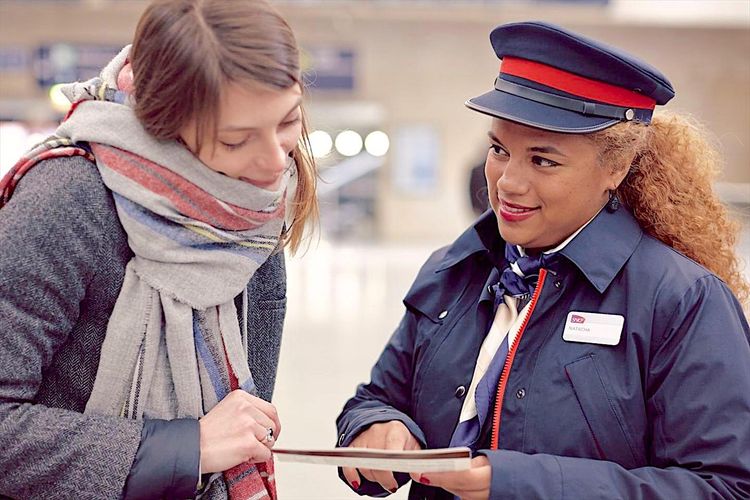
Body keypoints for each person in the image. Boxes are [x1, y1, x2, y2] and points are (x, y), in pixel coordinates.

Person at [336, 21, 750, 500]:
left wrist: (514, 483)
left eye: (543, 160)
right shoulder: (456, 270)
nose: (508, 182)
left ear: (614, 168)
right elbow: (377, 397)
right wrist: (376, 426)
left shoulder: (681, 302)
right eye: (499, 149)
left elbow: (726, 488)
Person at [0, 0, 318, 498]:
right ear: (162, 126)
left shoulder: (246, 207)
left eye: (288, 122)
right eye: (235, 141)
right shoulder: (67, 200)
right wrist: (187, 448)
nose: (275, 163)